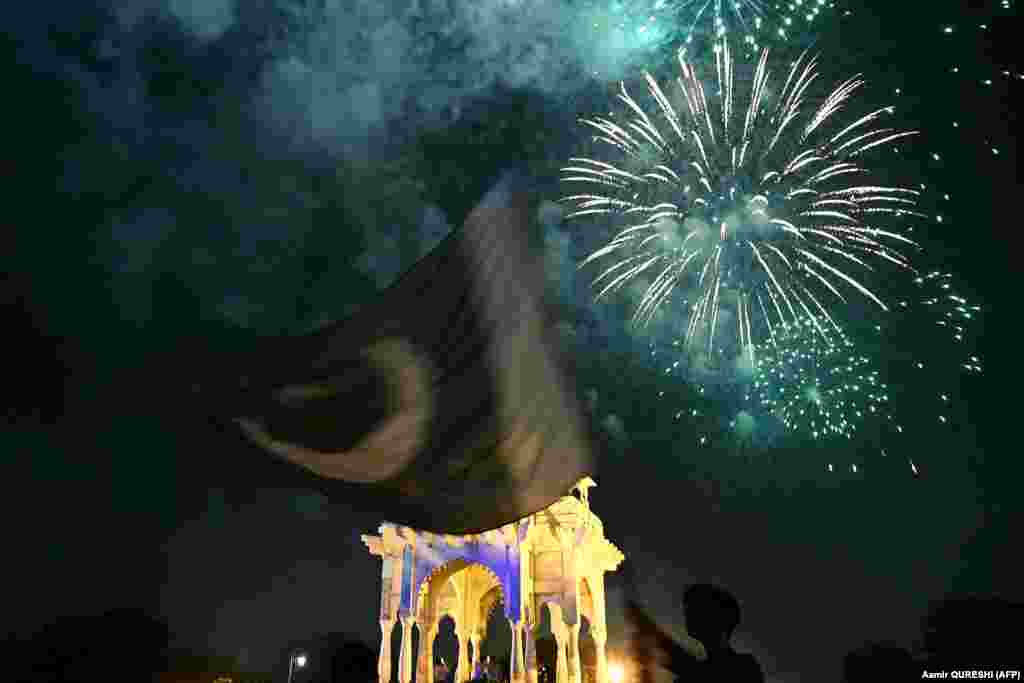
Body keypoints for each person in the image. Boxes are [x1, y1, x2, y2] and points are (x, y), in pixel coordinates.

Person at [626, 582, 764, 682]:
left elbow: (707, 676)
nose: (687, 616)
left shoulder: (745, 668)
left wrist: (650, 630)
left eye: (697, 610)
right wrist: (645, 669)